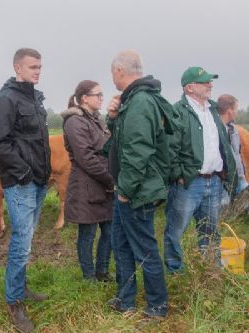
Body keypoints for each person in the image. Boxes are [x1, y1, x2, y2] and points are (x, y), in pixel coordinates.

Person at [106, 50, 176, 318]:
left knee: (145, 250)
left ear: (120, 71)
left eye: (113, 72)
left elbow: (137, 151)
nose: (112, 77)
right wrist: (112, 118)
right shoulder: (133, 100)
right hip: (127, 189)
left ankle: (157, 306)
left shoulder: (141, 102)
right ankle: (126, 300)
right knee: (121, 245)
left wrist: (125, 190)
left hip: (135, 192)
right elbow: (119, 141)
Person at [0, 48, 51, 333]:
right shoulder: (6, 100)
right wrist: (24, 172)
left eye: (40, 67)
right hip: (21, 182)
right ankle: (14, 302)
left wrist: (43, 173)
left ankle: (21, 288)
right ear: (17, 67)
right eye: (33, 67)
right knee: (21, 241)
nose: (38, 71)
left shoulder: (36, 98)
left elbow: (38, 141)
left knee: (28, 238)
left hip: (39, 180)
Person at [164, 67, 237, 274]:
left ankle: (211, 269)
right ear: (189, 88)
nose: (210, 85)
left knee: (210, 230)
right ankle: (175, 271)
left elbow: (223, 144)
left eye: (210, 81)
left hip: (213, 181)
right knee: (176, 230)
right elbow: (170, 149)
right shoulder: (177, 111)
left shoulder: (213, 110)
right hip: (189, 183)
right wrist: (178, 175)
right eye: (205, 82)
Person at [60, 80, 113, 282]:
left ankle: (103, 272)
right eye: (97, 94)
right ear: (84, 98)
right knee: (88, 234)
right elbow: (86, 158)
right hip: (86, 186)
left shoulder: (98, 119)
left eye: (102, 94)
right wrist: (111, 180)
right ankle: (89, 277)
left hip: (103, 184)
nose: (101, 98)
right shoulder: (75, 121)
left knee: (109, 231)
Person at [217, 93, 247, 206]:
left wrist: (242, 173)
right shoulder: (214, 129)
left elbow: (237, 152)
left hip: (239, 177)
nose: (237, 112)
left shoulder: (233, 129)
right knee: (223, 207)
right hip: (223, 180)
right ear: (230, 110)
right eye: (236, 109)